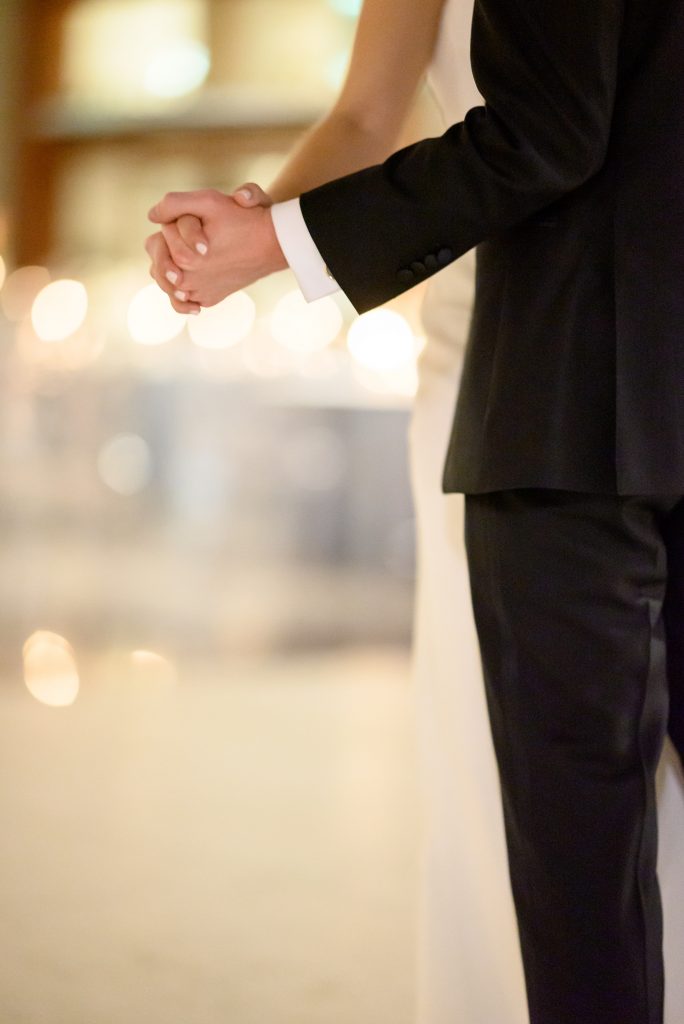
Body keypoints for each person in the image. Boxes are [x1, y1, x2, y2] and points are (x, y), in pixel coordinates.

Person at [145, 0, 684, 1021]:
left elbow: (549, 130)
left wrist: (270, 242)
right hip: (520, 345)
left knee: (578, 832)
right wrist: (257, 232)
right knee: (520, 793)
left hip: (567, 374)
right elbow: (363, 118)